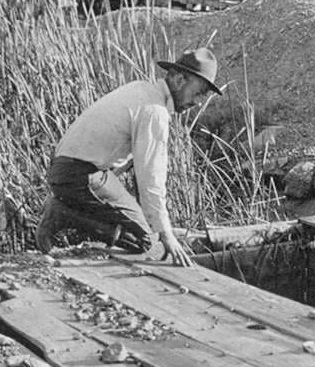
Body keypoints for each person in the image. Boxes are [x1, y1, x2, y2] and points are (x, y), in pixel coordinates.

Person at [34, 48, 224, 265]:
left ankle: (65, 211)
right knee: (147, 243)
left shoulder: (140, 89)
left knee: (145, 229)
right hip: (82, 176)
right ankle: (62, 215)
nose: (198, 102)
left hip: (66, 171)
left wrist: (146, 220)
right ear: (180, 80)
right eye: (199, 92)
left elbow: (126, 165)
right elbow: (151, 179)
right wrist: (166, 235)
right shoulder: (155, 111)